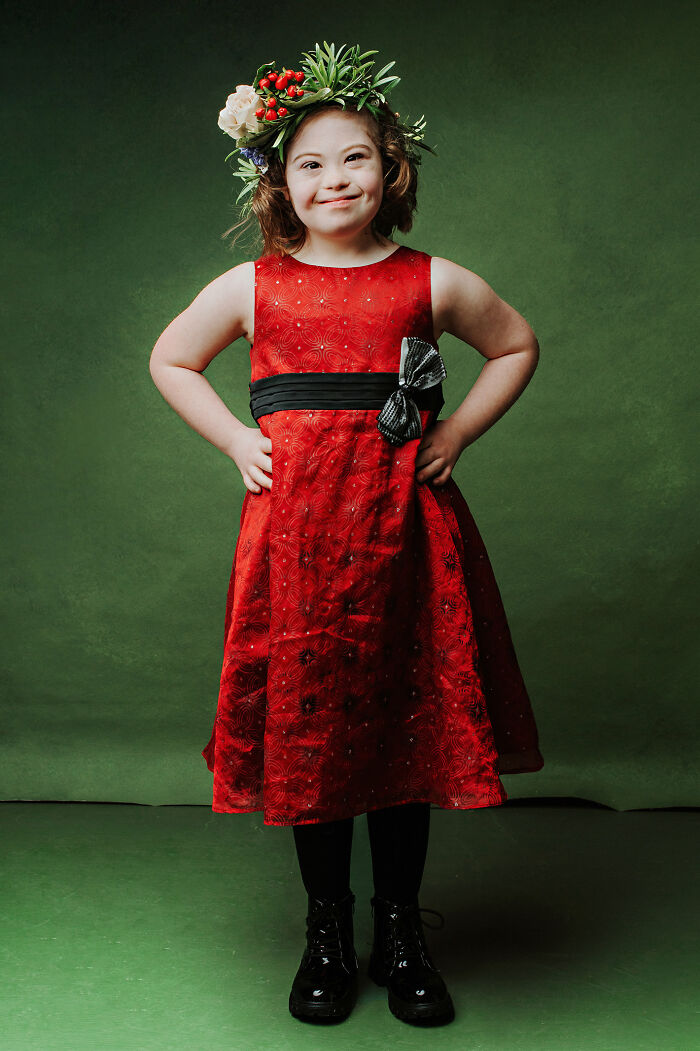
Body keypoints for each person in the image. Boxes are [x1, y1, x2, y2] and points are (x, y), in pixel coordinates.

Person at [149, 41, 544, 1029]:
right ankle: (325, 929)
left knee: (403, 720)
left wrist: (454, 432)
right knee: (314, 729)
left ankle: (400, 930)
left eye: (355, 157)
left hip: (404, 533)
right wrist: (237, 439)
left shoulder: (432, 281)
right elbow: (171, 359)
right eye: (311, 163)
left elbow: (515, 344)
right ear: (277, 182)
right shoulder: (251, 287)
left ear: (390, 168)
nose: (334, 178)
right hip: (297, 544)